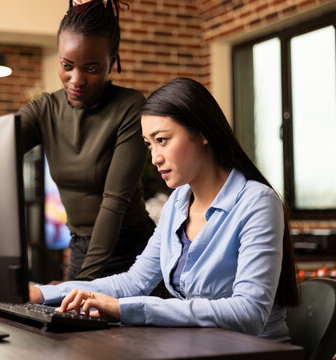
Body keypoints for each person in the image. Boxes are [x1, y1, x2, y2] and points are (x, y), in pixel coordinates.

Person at [29, 77, 300, 341]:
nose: (155, 158)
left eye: (162, 140)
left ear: (202, 133)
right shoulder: (178, 202)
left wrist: (124, 309)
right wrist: (42, 295)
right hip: (198, 349)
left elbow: (248, 313)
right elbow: (133, 282)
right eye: (149, 144)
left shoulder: (257, 202)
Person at [18, 0, 155, 281]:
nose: (76, 79)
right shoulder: (44, 110)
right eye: (67, 65)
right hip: (80, 245)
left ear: (112, 60)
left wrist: (79, 286)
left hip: (133, 251)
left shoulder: (129, 107)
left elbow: (114, 203)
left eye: (91, 68)